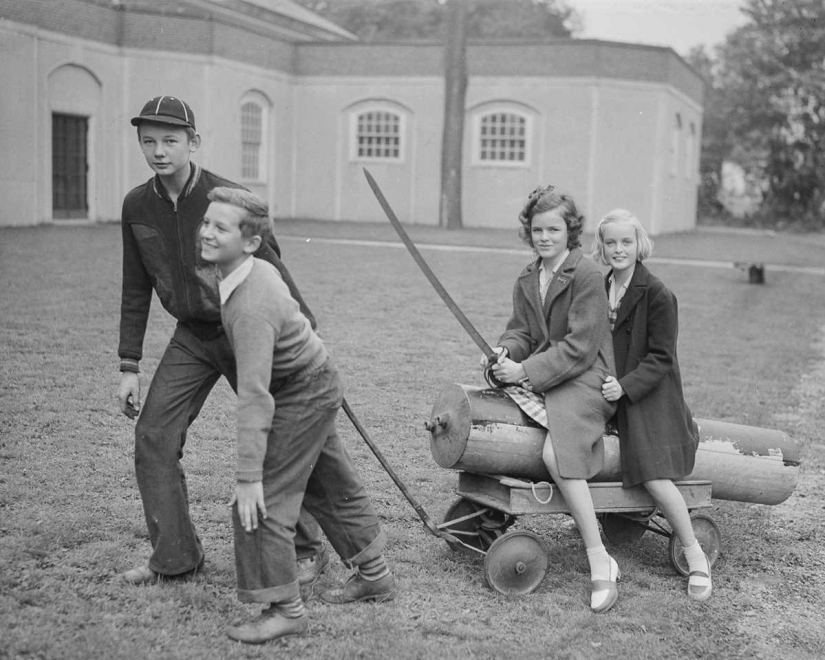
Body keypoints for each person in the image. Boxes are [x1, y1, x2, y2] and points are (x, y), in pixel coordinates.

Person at [117, 95, 326, 586]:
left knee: (282, 438)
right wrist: (129, 363)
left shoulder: (227, 199)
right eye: (149, 141)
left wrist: (305, 335)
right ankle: (175, 557)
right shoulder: (136, 204)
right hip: (191, 336)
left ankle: (307, 547)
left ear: (194, 142)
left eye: (171, 140)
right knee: (153, 437)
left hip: (244, 330)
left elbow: (275, 269)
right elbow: (134, 284)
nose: (159, 151)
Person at [198, 186, 395, 644]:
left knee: (262, 498)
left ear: (250, 242)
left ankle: (284, 609)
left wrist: (249, 476)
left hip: (302, 392)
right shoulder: (253, 269)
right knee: (329, 481)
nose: (206, 232)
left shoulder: (251, 302)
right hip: (315, 380)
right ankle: (375, 574)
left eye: (219, 227)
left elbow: (254, 395)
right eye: (206, 222)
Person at [483, 184, 620, 613]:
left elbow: (581, 347)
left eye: (553, 230)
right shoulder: (529, 276)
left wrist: (525, 372)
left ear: (570, 232)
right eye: (537, 230)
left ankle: (600, 558)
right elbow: (522, 331)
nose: (544, 238)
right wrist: (506, 352)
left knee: (555, 455)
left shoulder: (587, 274)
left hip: (587, 377)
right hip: (549, 372)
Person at [592, 209, 710, 601]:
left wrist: (624, 388)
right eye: (611, 242)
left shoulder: (657, 293)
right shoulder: (599, 286)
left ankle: (695, 555)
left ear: (639, 244)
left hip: (648, 395)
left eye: (626, 242)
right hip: (608, 388)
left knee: (654, 474)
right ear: (602, 246)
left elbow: (660, 358)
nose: (619, 249)